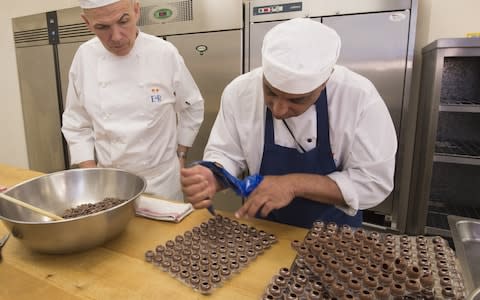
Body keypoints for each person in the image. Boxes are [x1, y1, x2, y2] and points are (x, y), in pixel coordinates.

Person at [180, 18, 397, 228]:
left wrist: (293, 185)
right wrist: (214, 175)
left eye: (297, 99)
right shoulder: (240, 92)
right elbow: (226, 153)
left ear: (325, 82)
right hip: (264, 230)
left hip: (334, 235)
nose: (278, 110)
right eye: (270, 92)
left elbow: (373, 181)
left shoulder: (358, 97)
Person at [62, 0, 204, 201]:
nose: (116, 36)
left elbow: (192, 106)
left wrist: (181, 155)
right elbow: (76, 124)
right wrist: (92, 176)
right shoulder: (84, 57)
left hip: (162, 182)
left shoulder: (164, 52)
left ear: (136, 10)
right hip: (110, 187)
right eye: (102, 27)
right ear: (87, 22)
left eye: (123, 21)